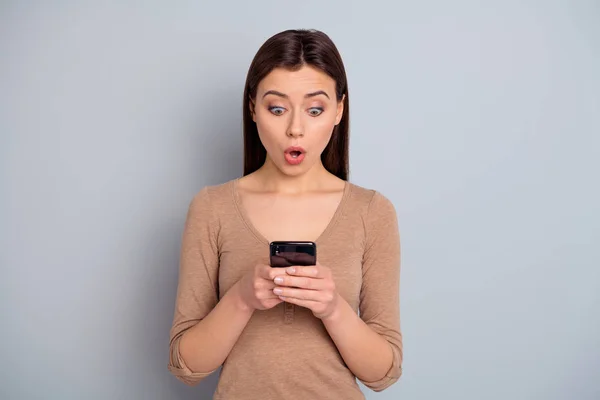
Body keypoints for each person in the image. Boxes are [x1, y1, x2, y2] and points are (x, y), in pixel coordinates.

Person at [168, 28, 402, 400]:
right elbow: (187, 366)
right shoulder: (211, 208)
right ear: (252, 108)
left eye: (314, 109)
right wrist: (242, 297)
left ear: (339, 110)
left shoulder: (372, 212)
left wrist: (332, 308)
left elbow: (383, 373)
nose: (295, 129)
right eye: (277, 108)